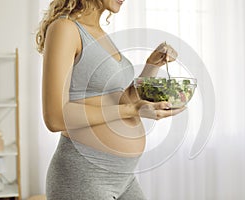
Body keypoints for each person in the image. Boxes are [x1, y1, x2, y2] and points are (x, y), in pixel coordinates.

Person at [36, 0, 186, 199]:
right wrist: (132, 111)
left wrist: (152, 65)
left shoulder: (101, 34)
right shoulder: (65, 29)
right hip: (83, 176)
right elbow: (55, 117)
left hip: (123, 178)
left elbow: (121, 99)